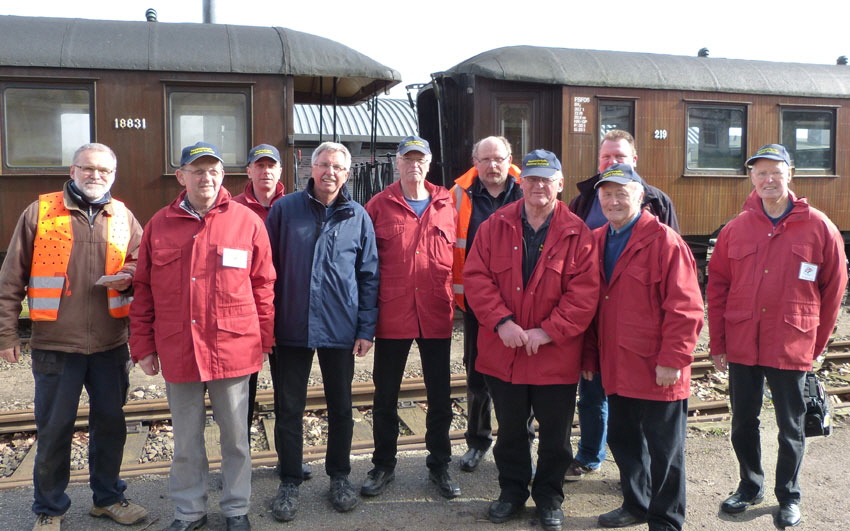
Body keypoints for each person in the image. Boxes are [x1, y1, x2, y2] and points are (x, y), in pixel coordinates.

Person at [0, 143, 148, 531]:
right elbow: (11, 278)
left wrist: (130, 275)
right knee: (54, 429)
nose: (95, 175)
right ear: (73, 170)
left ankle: (108, 499)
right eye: (88, 168)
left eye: (104, 170)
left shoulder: (124, 216)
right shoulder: (40, 212)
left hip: (110, 343)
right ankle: (49, 509)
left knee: (111, 426)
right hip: (55, 345)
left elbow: (142, 263)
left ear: (114, 175)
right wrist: (6, 333)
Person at [130, 142, 276, 531]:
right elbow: (143, 289)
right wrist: (143, 346)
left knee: (236, 439)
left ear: (222, 176)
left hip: (233, 347)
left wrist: (264, 340)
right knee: (187, 442)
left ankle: (236, 509)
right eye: (197, 171)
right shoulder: (159, 224)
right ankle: (189, 511)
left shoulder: (247, 222)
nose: (206, 177)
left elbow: (264, 286)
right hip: (179, 348)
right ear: (181, 177)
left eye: (212, 170)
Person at [707, 144, 847, 529]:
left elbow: (834, 289)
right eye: (761, 173)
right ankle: (749, 486)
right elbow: (717, 286)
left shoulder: (819, 227)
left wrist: (817, 344)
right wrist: (717, 343)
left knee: (791, 426)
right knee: (742, 422)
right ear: (751, 178)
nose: (768, 179)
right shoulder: (736, 228)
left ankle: (789, 495)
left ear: (791, 174)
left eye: (776, 172)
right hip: (743, 342)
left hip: (791, 341)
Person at [464, 149, 599, 531]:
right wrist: (502, 322)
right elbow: (476, 278)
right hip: (504, 350)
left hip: (553, 355)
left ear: (559, 183)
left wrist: (549, 330)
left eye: (547, 179)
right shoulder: (494, 225)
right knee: (510, 432)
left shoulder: (578, 233)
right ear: (520, 182)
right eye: (532, 179)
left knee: (555, 436)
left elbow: (584, 294)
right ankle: (511, 492)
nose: (538, 186)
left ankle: (549, 497)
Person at [585, 164, 704, 530]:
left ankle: (666, 519)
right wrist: (590, 357)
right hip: (616, 365)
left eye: (622, 192)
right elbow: (590, 306)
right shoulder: (597, 239)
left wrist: (673, 360)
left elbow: (686, 308)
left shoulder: (665, 241)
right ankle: (636, 504)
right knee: (624, 440)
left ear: (640, 195)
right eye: (607, 194)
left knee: (665, 451)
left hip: (657, 368)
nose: (614, 200)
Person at [265, 142, 379, 522]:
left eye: (338, 167)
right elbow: (266, 273)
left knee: (342, 408)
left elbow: (369, 277)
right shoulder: (283, 211)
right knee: (288, 408)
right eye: (323, 165)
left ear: (347, 174)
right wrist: (268, 325)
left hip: (340, 328)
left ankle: (340, 477)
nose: (330, 172)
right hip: (291, 327)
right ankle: (289, 480)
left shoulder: (358, 216)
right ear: (310, 170)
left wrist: (365, 328)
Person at [566, 129, 680, 481]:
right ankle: (596, 460)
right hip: (600, 332)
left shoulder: (660, 217)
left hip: (643, 339)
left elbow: (680, 295)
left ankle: (644, 488)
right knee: (601, 407)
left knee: (646, 421)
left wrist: (671, 356)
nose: (611, 162)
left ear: (634, 162)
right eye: (606, 158)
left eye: (618, 156)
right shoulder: (586, 203)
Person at [361, 135, 460, 499]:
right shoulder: (378, 205)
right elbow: (366, 266)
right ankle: (383, 465)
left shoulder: (448, 204)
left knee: (440, 394)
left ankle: (440, 465)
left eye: (420, 159)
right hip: (393, 314)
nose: (413, 165)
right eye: (407, 159)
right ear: (397, 164)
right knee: (385, 395)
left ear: (429, 163)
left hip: (435, 312)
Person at [231, 143, 313, 480]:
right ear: (248, 171)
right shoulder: (232, 210)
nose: (265, 171)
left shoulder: (298, 207)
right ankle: (241, 465)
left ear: (281, 172)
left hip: (288, 316)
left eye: (271, 166)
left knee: (289, 397)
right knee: (240, 400)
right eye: (258, 166)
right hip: (243, 317)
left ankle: (289, 461)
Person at [449, 136, 523, 473]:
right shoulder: (458, 196)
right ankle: (478, 442)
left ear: (510, 159)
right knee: (477, 376)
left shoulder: (528, 189)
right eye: (486, 160)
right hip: (477, 303)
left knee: (524, 375)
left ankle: (523, 439)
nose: (493, 166)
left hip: (524, 303)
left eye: (499, 159)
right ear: (474, 162)